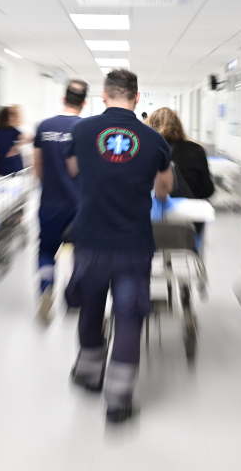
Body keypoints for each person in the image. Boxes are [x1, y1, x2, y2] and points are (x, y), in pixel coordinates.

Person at [64, 69, 173, 423]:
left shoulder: (81, 131)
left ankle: (88, 374)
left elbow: (74, 169)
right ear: (137, 98)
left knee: (91, 307)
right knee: (128, 316)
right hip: (132, 243)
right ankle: (118, 400)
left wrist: (100, 179)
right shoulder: (154, 140)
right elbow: (164, 188)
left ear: (104, 95)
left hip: (90, 240)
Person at [32, 80, 88, 322]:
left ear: (63, 99)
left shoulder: (44, 127)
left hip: (50, 203)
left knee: (47, 250)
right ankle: (74, 299)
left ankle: (46, 287)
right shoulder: (85, 128)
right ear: (84, 103)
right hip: (79, 205)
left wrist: (49, 184)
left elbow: (37, 165)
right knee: (81, 252)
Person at [146, 107, 214, 252]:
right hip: (188, 227)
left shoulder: (144, 150)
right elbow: (208, 190)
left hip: (149, 227)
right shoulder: (196, 150)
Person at [0, 105, 31, 176]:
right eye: (11, 115)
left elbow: (30, 138)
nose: (13, 117)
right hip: (5, 164)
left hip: (11, 163)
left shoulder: (11, 130)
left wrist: (16, 146)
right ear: (5, 117)